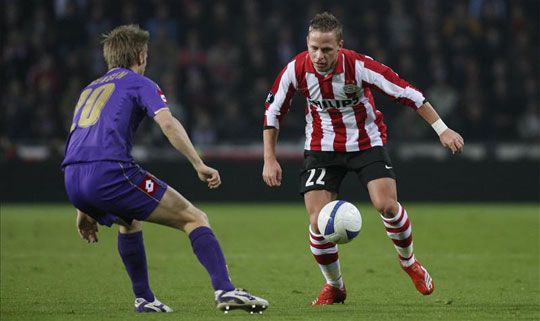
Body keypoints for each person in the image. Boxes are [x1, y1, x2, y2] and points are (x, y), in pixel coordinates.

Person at [61, 25, 268, 314]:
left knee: (129, 221)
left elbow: (81, 142)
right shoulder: (138, 83)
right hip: (110, 173)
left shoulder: (89, 88)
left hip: (72, 177)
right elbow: (168, 123)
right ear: (141, 54)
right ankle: (225, 290)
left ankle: (144, 298)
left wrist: (83, 207)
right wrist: (198, 162)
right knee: (194, 218)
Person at [262, 12, 464, 305]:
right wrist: (270, 158)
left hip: (366, 142)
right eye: (314, 48)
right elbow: (272, 111)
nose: (319, 56)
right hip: (322, 149)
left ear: (340, 45)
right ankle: (335, 286)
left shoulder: (359, 66)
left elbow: (407, 92)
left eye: (327, 49)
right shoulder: (296, 69)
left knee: (387, 205)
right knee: (318, 222)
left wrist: (442, 129)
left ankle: (409, 262)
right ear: (307, 43)